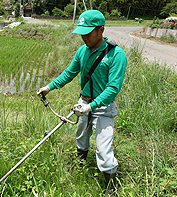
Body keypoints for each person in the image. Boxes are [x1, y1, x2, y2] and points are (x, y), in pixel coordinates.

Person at [37, 10, 127, 196]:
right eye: (81, 33)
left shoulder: (116, 55)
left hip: (102, 108)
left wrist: (91, 107)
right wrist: (49, 87)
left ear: (101, 30)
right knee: (81, 137)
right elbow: (69, 73)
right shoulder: (82, 51)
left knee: (103, 148)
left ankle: (110, 189)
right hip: (83, 103)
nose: (83, 37)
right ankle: (80, 166)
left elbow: (112, 89)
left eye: (88, 33)